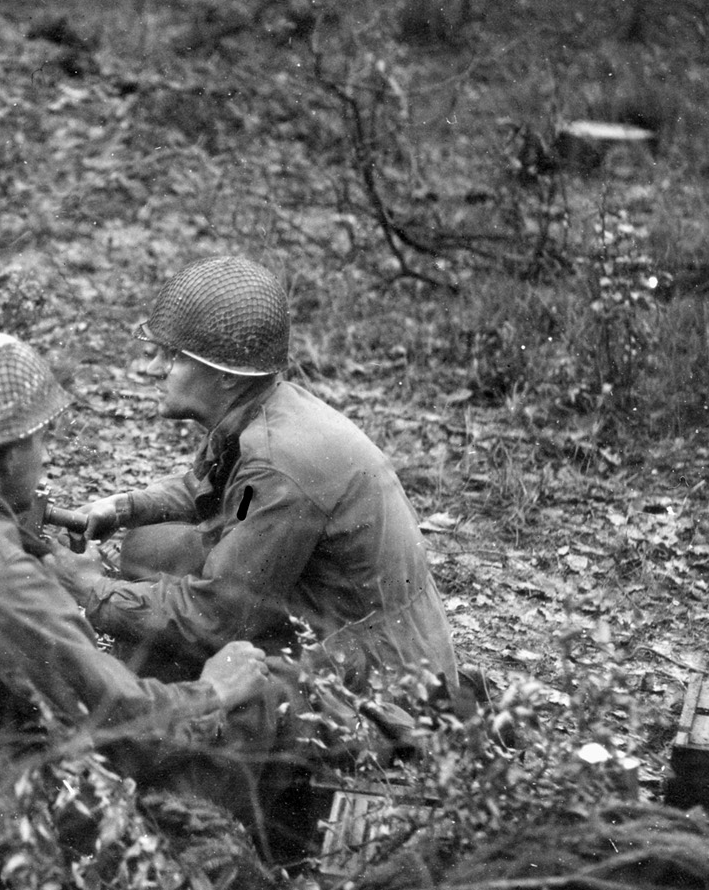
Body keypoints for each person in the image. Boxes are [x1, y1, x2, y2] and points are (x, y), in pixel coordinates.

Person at [0, 331, 269, 835]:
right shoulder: (2, 579)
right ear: (11, 454)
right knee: (245, 736)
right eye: (40, 439)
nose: (43, 456)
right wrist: (215, 690)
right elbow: (125, 725)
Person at [47, 256, 464, 705]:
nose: (150, 369)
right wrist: (125, 507)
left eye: (170, 357)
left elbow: (215, 618)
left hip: (385, 686)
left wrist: (92, 590)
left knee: (174, 700)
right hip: (361, 645)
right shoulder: (261, 413)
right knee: (150, 548)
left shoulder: (277, 463)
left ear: (225, 376)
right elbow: (209, 487)